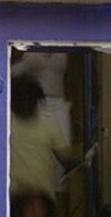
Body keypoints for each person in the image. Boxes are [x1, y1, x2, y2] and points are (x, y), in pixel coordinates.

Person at [10, 74, 72, 205]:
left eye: (30, 100)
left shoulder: (5, 122)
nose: (26, 103)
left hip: (18, 198)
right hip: (39, 198)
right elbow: (66, 158)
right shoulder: (48, 122)